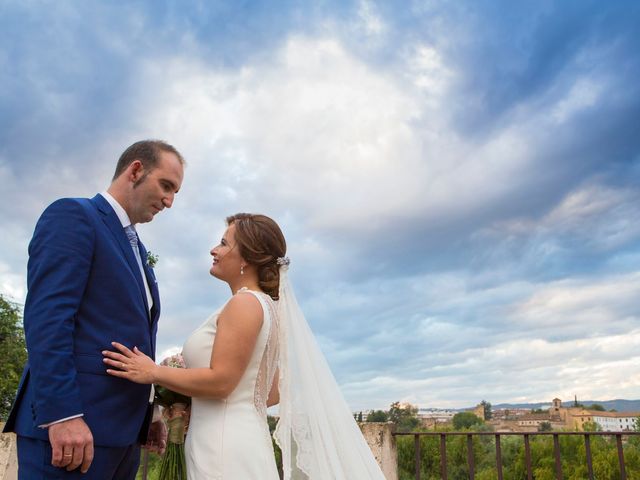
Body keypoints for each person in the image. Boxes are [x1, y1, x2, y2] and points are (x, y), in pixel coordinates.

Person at [103, 213, 386, 479]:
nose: (214, 250)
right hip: (242, 441)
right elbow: (270, 392)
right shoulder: (268, 307)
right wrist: (191, 399)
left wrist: (153, 372)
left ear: (247, 258)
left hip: (221, 447)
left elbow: (222, 381)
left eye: (224, 243)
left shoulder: (244, 304)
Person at [3, 140, 185, 479]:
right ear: (135, 170)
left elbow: (131, 339)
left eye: (175, 192)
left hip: (123, 438)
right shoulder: (75, 216)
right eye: (166, 186)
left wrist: (151, 414)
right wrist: (62, 415)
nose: (170, 201)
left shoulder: (137, 250)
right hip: (73, 434)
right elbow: (48, 318)